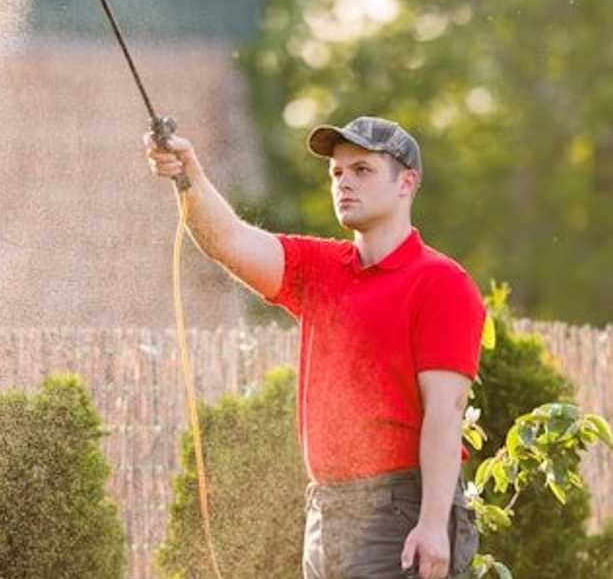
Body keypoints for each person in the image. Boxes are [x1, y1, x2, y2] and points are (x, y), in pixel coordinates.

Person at [144, 116, 482, 579]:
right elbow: (229, 240)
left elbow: (447, 412)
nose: (344, 183)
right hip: (325, 509)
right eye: (338, 174)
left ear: (407, 182)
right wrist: (189, 176)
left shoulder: (441, 282)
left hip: (398, 511)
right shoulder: (320, 268)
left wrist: (431, 525)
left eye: (362, 171)